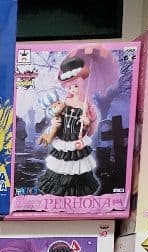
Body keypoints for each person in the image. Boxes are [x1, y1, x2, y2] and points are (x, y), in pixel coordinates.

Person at [36, 56, 101, 197]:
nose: (73, 89)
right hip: (63, 138)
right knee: (61, 165)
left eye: (75, 86)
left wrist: (86, 121)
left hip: (76, 139)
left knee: (77, 166)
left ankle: (77, 190)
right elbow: (57, 116)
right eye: (70, 87)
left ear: (81, 84)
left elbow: (90, 126)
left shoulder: (85, 105)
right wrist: (54, 123)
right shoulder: (65, 102)